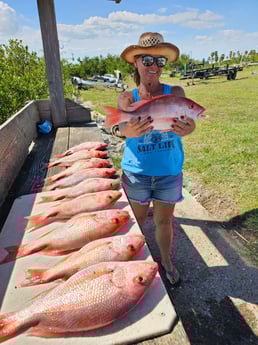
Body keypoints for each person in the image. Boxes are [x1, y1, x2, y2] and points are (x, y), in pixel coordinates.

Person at [117, 32, 196, 286]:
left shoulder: (176, 91)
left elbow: (190, 121)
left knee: (164, 221)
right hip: (136, 173)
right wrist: (128, 130)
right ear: (136, 62)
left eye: (160, 61)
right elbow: (120, 126)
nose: (154, 66)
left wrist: (189, 128)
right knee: (136, 222)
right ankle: (133, 263)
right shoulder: (128, 98)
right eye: (148, 60)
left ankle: (166, 261)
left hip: (168, 172)